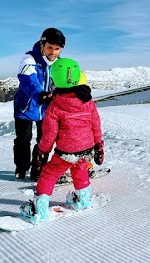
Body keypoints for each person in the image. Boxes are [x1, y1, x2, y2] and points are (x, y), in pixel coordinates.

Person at [20, 58, 105, 224]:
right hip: (86, 149)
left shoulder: (55, 106)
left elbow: (50, 134)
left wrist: (42, 151)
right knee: (80, 170)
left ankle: (40, 208)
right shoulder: (88, 102)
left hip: (66, 151)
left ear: (55, 80)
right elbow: (96, 125)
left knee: (49, 174)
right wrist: (98, 145)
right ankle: (83, 199)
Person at [13, 28, 66, 180]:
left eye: (57, 49)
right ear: (43, 44)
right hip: (25, 106)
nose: (53, 52)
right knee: (23, 139)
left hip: (47, 109)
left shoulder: (60, 64)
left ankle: (38, 169)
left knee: (44, 141)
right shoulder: (29, 58)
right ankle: (21, 168)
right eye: (50, 47)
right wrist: (39, 94)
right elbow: (28, 79)